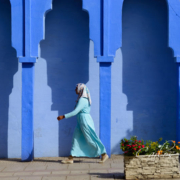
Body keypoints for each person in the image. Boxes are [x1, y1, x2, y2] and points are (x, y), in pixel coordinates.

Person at [57, 83, 109, 164]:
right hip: (80, 121)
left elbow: (75, 112)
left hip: (85, 121)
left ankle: (104, 154)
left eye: (76, 88)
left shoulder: (83, 100)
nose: (75, 90)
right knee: (75, 138)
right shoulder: (81, 99)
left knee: (90, 138)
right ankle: (71, 158)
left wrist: (63, 116)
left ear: (80, 89)